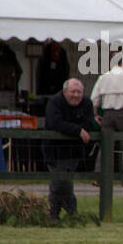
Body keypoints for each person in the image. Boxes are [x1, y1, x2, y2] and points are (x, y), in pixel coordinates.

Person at [43, 78, 98, 219]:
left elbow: (90, 124)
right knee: (60, 182)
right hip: (54, 150)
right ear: (65, 91)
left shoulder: (87, 103)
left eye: (79, 92)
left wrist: (71, 128)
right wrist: (78, 130)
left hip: (74, 151)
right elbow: (55, 123)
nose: (76, 95)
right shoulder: (55, 102)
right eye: (73, 91)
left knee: (62, 182)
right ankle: (70, 213)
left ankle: (54, 216)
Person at [90, 61, 123, 184]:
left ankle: (99, 177)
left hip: (107, 115)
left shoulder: (103, 77)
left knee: (105, 147)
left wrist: (95, 114)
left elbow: (94, 99)